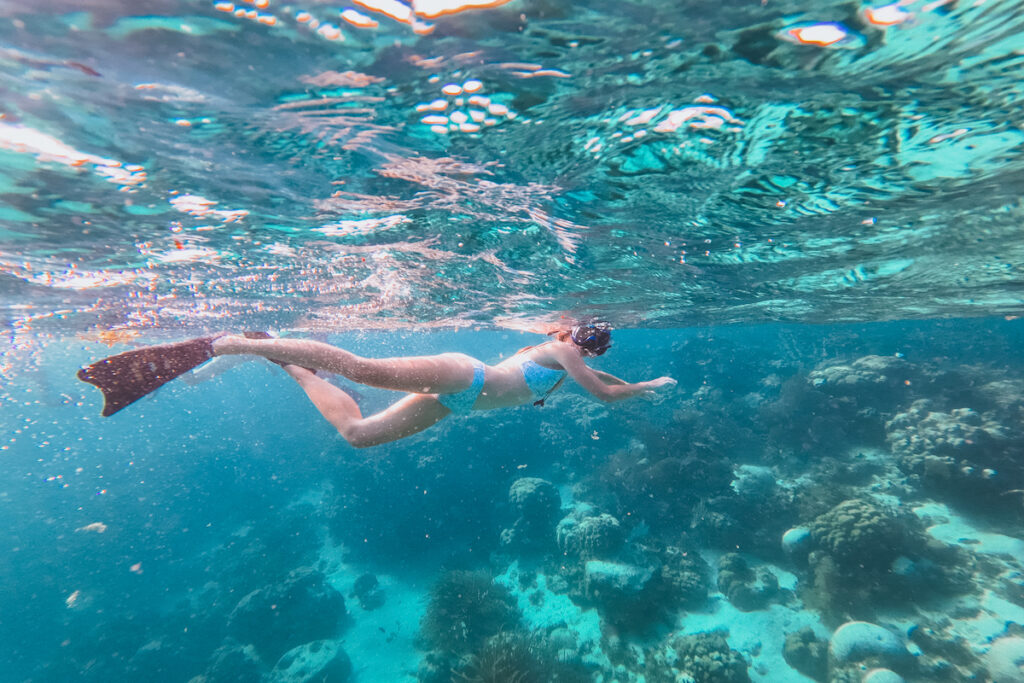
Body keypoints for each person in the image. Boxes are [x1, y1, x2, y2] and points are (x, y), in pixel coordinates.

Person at [77, 321, 677, 448]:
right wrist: (648, 389)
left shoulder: (580, 362)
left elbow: (605, 380)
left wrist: (640, 379)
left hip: (456, 404)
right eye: (586, 336)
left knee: (358, 434)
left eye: (597, 343)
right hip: (463, 374)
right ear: (569, 331)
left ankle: (287, 363)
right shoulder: (560, 349)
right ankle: (231, 342)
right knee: (362, 368)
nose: (588, 347)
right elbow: (602, 391)